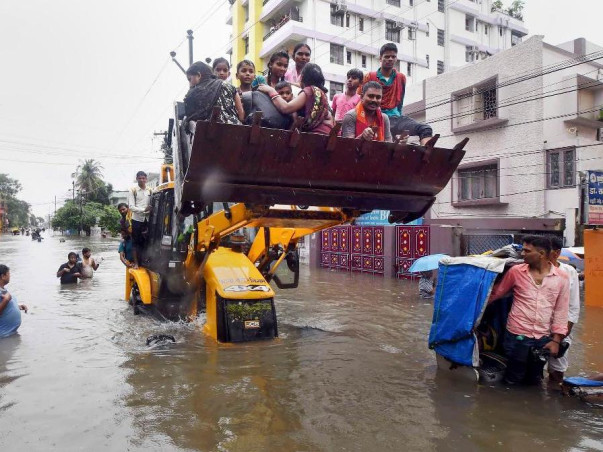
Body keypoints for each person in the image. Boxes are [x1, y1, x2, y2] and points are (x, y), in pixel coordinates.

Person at [489, 235, 570, 386]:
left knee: (535, 379)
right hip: (516, 335)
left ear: (541, 253)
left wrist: (556, 341)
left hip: (543, 338)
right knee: (513, 378)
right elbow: (496, 294)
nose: (522, 254)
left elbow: (561, 311)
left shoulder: (562, 278)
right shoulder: (515, 272)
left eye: (527, 251)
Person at [359, 43, 433, 145]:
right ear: (380, 58)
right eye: (387, 56)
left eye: (393, 57)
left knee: (425, 129)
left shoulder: (401, 77)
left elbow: (400, 102)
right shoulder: (369, 76)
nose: (390, 59)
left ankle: (426, 157)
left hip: (395, 119)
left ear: (396, 59)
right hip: (375, 118)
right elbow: (360, 100)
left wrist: (400, 122)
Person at [258, 63, 334, 134]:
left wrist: (271, 90)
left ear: (302, 77)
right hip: (326, 136)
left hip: (315, 137)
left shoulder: (309, 91)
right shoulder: (321, 93)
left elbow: (286, 108)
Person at [548, 236, 580, 386]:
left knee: (557, 370)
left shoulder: (569, 272)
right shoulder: (531, 270)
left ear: (556, 253)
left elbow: (573, 306)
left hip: (562, 329)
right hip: (537, 329)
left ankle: (553, 401)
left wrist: (561, 336)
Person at [127, 171, 153, 268]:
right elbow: (131, 207)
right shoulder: (133, 190)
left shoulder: (150, 190)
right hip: (137, 219)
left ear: (146, 179)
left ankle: (145, 261)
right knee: (136, 242)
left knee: (147, 241)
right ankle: (136, 263)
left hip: (148, 219)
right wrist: (143, 210)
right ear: (137, 179)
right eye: (140, 178)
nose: (142, 180)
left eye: (143, 178)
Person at [0, 265, 27, 339]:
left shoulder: (3, 290)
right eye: (8, 274)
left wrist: (17, 306)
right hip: (3, 337)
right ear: (3, 276)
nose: (10, 277)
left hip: (10, 334)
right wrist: (6, 300)